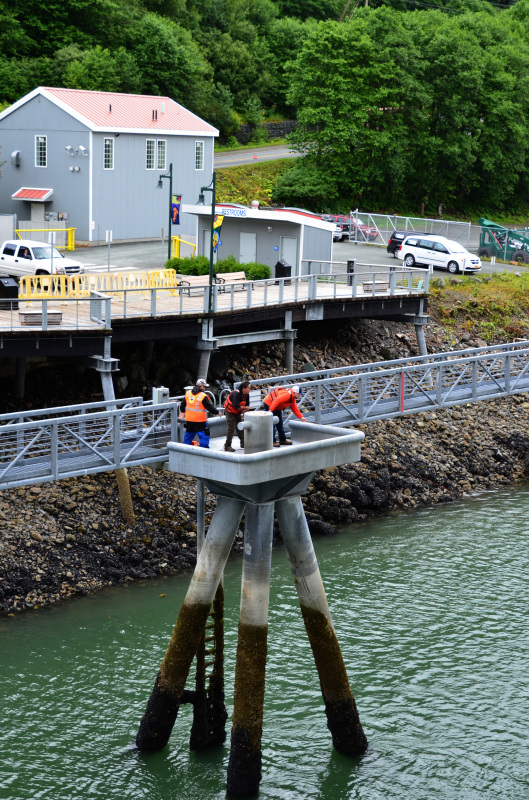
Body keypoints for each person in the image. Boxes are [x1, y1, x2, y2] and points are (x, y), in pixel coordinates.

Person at [179, 378, 219, 448]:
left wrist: (182, 411)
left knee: (188, 436)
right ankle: (204, 452)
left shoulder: (188, 393)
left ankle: (184, 450)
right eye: (204, 386)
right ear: (202, 386)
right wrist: (217, 412)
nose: (204, 388)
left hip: (189, 420)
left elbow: (183, 404)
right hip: (199, 421)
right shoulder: (203, 396)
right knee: (204, 436)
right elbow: (209, 407)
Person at [223, 380, 253, 452]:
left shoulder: (246, 394)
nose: (250, 389)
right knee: (231, 429)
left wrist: (246, 409)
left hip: (237, 412)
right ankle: (227, 446)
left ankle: (243, 443)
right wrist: (245, 408)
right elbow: (236, 406)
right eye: (248, 388)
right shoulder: (236, 394)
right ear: (243, 389)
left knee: (240, 427)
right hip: (230, 412)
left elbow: (246, 404)